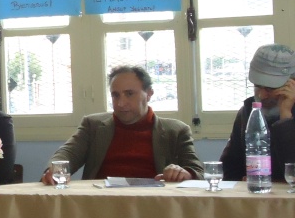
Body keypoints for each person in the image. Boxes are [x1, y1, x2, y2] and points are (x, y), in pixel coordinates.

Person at [41, 65, 202, 184]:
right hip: (99, 206)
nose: (121, 103)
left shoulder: (176, 130)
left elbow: (197, 171)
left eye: (129, 94)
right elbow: (67, 154)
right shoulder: (93, 125)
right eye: (115, 95)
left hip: (154, 206)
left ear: (149, 94)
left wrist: (184, 173)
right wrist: (54, 170)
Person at [220, 43, 295, 181]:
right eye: (257, 86)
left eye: (269, 88)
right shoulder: (249, 111)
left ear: (291, 84)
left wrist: (285, 119)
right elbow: (230, 165)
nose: (261, 95)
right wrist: (239, 184)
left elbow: (292, 171)